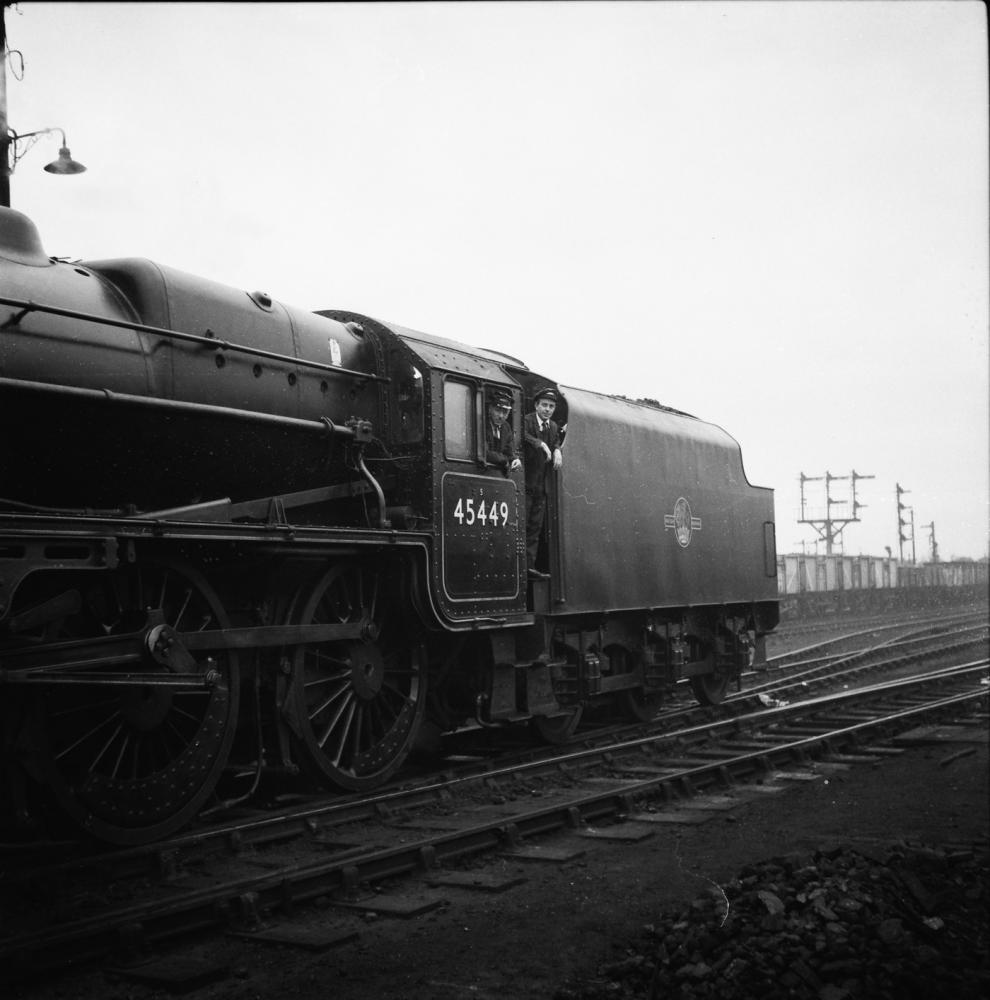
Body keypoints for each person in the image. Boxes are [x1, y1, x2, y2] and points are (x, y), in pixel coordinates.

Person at [523, 387, 563, 579]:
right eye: (544, 405)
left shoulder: (553, 426)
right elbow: (523, 436)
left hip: (541, 486)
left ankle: (529, 566)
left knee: (535, 528)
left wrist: (556, 449)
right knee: (522, 525)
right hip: (526, 483)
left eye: (551, 406)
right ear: (536, 405)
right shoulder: (527, 421)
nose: (548, 409)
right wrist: (540, 444)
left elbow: (555, 440)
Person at [485, 389, 521, 476]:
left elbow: (509, 452)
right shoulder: (483, 424)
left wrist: (515, 460)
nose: (501, 416)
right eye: (497, 410)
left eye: (505, 412)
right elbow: (485, 453)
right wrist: (505, 460)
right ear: (490, 409)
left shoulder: (506, 427)